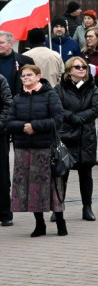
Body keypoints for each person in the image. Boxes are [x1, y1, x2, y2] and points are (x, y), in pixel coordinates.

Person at [7, 64, 66, 236]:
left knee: (51, 186)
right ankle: (39, 224)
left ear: (38, 76)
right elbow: (9, 122)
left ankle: (60, 222)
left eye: (29, 75)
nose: (25, 78)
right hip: (24, 149)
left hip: (45, 148)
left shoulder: (50, 95)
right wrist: (24, 127)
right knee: (31, 188)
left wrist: (35, 126)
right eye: (23, 76)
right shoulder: (18, 98)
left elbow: (58, 119)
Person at [56, 56, 98, 222]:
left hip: (86, 135)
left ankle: (87, 207)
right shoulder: (59, 88)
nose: (82, 69)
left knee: (86, 173)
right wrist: (70, 117)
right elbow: (56, 107)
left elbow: (95, 108)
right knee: (62, 173)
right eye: (77, 67)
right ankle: (57, 208)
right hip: (66, 135)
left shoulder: (92, 87)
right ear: (69, 70)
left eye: (84, 67)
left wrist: (78, 118)